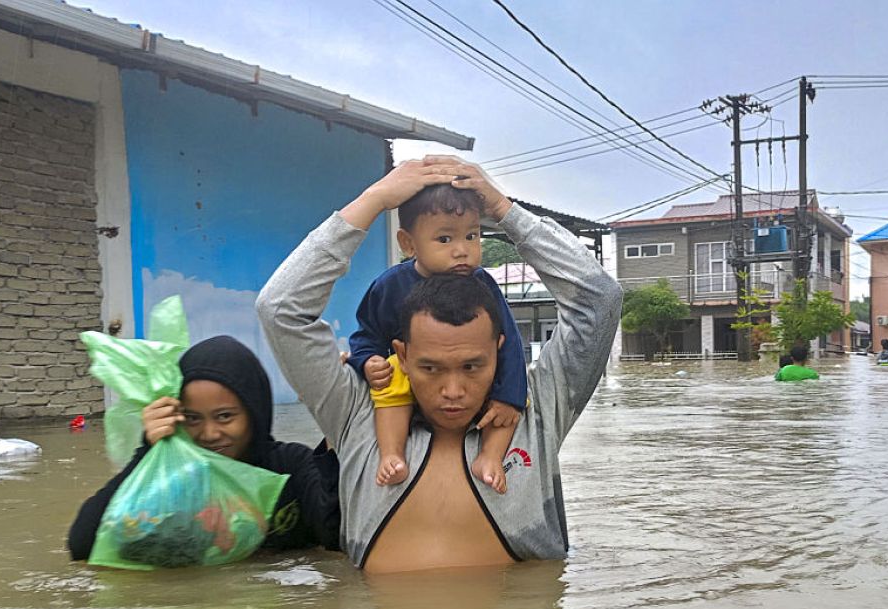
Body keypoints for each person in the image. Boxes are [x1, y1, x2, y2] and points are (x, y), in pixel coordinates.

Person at [256, 156, 622, 574]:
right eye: (431, 368)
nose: (453, 391)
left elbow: (600, 300)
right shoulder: (360, 412)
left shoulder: (532, 412)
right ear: (403, 356)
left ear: (500, 349)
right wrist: (373, 200)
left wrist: (505, 211)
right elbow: (279, 309)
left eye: (473, 367)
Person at [67, 335, 342, 561]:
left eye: (225, 416)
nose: (209, 434)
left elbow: (336, 534)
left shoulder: (289, 470)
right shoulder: (174, 479)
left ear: (254, 413)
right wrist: (147, 452)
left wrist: (335, 423)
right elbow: (83, 545)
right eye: (192, 418)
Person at [346, 184, 526, 495]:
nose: (462, 250)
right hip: (411, 379)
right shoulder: (390, 285)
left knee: (511, 404)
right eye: (445, 239)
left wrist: (509, 396)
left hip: (478, 391)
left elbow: (508, 343)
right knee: (392, 383)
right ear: (408, 243)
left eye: (471, 236)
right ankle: (392, 454)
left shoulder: (483, 285)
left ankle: (490, 457)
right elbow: (367, 334)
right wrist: (366, 361)